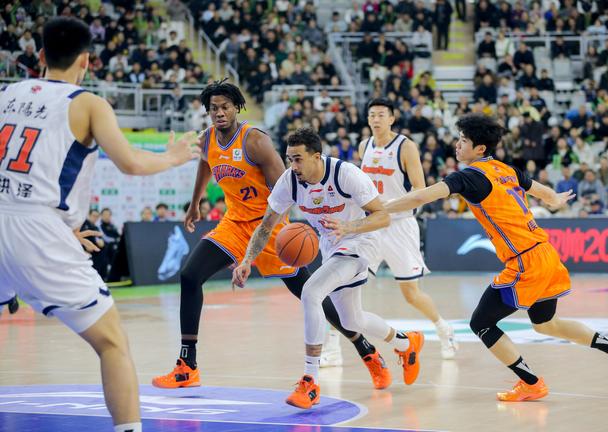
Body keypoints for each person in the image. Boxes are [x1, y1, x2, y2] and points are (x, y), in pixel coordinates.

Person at [0, 17, 200, 432]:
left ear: (41, 56)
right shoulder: (87, 103)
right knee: (112, 343)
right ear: (86, 61)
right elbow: (130, 162)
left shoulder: (5, 94)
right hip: (36, 232)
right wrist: (175, 157)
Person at [152, 80, 389, 391]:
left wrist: (305, 220)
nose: (219, 113)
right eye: (213, 108)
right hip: (234, 223)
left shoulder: (255, 141)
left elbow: (288, 186)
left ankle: (366, 350)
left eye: (225, 107)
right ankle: (187, 366)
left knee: (310, 294)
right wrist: (196, 201)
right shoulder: (207, 138)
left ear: (236, 108)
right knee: (190, 275)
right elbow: (205, 163)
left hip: (269, 225)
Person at [384, 113, 608, 401]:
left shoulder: (469, 176)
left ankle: (531, 383)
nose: (457, 144)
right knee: (546, 324)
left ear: (480, 148)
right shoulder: (506, 170)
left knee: (481, 323)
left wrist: (381, 207)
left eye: (463, 140)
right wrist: (555, 199)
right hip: (546, 254)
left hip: (525, 261)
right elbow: (546, 194)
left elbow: (421, 197)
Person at [232, 127, 425, 409]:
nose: (292, 165)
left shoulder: (345, 174)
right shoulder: (290, 181)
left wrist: (349, 227)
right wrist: (247, 259)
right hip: (331, 245)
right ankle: (407, 344)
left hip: (361, 240)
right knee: (352, 321)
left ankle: (310, 381)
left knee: (311, 292)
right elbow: (266, 226)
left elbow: (382, 216)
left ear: (316, 156)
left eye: (298, 159)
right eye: (289, 159)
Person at [359, 98, 458, 359]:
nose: (376, 119)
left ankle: (443, 328)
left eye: (381, 115)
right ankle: (332, 347)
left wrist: (391, 206)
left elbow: (420, 190)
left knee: (411, 294)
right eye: (372, 115)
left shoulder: (406, 147)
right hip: (372, 225)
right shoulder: (363, 146)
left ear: (391, 119)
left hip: (399, 225)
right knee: (348, 286)